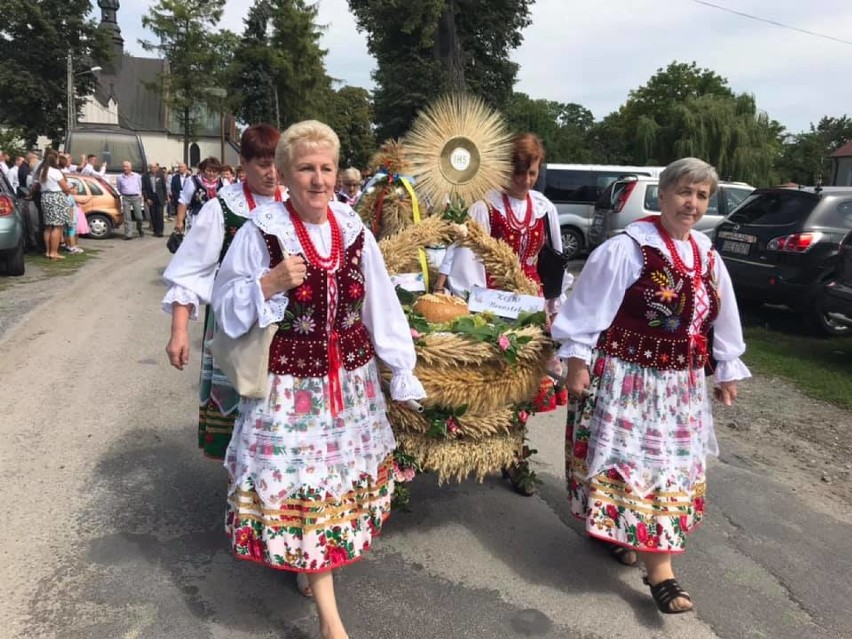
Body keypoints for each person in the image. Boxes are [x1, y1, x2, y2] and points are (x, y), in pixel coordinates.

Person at [211, 120, 425, 639]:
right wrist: (269, 282)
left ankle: (313, 568)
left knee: (329, 493)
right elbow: (223, 307)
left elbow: (380, 303)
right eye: (306, 168)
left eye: (326, 168)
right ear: (284, 173)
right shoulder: (261, 230)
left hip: (349, 386)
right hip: (288, 390)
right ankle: (331, 620)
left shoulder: (353, 230)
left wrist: (402, 368)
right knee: (307, 490)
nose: (318, 179)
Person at [551, 157, 750, 615]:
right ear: (661, 195)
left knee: (668, 473)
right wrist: (577, 362)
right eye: (684, 192)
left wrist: (726, 367)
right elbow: (587, 308)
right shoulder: (629, 248)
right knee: (640, 469)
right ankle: (662, 573)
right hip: (628, 381)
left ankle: (634, 543)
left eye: (702, 196)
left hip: (679, 388)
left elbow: (721, 316)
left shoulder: (705, 253)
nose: (692, 203)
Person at [433, 132, 566, 494]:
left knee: (525, 387)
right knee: (496, 386)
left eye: (532, 174)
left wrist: (553, 307)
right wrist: (480, 307)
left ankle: (516, 456)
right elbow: (470, 259)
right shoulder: (484, 206)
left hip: (532, 305)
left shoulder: (543, 208)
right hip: (493, 307)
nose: (525, 182)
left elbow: (553, 260)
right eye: (518, 173)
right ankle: (485, 446)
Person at [163, 124, 285, 461]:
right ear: (243, 164)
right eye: (262, 164)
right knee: (239, 411)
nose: (272, 173)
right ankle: (240, 489)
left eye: (277, 163)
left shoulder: (294, 203)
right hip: (235, 324)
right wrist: (179, 333)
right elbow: (190, 273)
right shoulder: (223, 209)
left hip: (285, 325)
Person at [37, 149, 74, 260]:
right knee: (57, 227)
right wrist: (68, 192)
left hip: (45, 197)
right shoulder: (55, 172)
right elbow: (65, 187)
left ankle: (48, 251)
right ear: (55, 159)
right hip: (56, 197)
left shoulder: (42, 171)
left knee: (48, 226)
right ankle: (54, 252)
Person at [175, 157, 222, 233]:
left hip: (217, 220)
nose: (212, 174)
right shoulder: (193, 181)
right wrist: (179, 221)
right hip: (198, 220)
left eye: (215, 171)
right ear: (203, 170)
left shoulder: (223, 183)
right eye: (209, 171)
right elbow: (183, 202)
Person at [116, 161, 145, 240]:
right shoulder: (120, 178)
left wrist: (140, 195)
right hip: (126, 197)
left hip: (135, 197)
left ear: (130, 168)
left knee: (139, 216)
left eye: (127, 167)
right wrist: (123, 194)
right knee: (127, 216)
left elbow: (140, 186)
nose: (125, 168)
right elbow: (119, 187)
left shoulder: (136, 176)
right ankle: (128, 234)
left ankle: (140, 229)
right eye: (124, 167)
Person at [142, 162, 168, 237]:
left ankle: (160, 231)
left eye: (154, 167)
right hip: (151, 197)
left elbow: (164, 187)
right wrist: (147, 199)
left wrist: (165, 197)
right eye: (151, 167)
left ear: (157, 168)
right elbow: (143, 189)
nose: (153, 169)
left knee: (160, 215)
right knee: (153, 215)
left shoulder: (160, 175)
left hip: (159, 197)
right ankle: (155, 231)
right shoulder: (145, 176)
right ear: (149, 168)